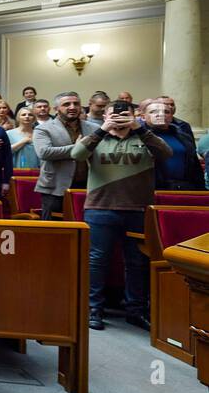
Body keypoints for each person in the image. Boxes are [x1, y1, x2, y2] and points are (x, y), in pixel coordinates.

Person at [70, 100, 171, 330]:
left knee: (137, 262)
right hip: (100, 207)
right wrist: (102, 129)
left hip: (138, 208)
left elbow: (166, 153)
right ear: (104, 116)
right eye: (112, 114)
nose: (119, 117)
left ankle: (136, 310)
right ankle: (93, 308)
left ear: (135, 116)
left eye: (126, 114)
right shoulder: (97, 138)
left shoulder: (143, 137)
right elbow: (76, 154)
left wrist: (139, 127)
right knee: (97, 261)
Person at [32, 91, 98, 221]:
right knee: (54, 230)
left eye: (76, 104)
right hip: (55, 186)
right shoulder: (43, 128)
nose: (72, 107)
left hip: (88, 186)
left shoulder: (94, 128)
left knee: (87, 227)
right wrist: (79, 147)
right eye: (66, 104)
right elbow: (44, 152)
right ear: (56, 109)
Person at [145, 100, 199, 190]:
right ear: (143, 116)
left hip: (183, 186)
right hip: (150, 188)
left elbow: (194, 164)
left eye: (166, 112)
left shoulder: (184, 136)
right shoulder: (137, 137)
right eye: (153, 112)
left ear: (171, 117)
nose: (161, 115)